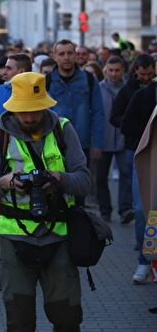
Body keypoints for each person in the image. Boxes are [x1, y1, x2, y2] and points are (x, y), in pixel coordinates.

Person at [0, 72, 91, 332]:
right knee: (19, 322)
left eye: (34, 111)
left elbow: (84, 182)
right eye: (22, 112)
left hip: (59, 236)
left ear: (45, 106)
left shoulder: (63, 130)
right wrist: (4, 182)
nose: (28, 118)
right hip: (14, 239)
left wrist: (59, 179)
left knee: (67, 320)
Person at [47, 39, 104, 203]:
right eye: (61, 54)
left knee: (79, 192)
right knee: (54, 192)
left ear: (75, 55)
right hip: (54, 145)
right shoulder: (46, 81)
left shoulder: (89, 80)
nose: (66, 57)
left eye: (70, 53)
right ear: (54, 56)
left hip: (82, 144)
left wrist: (97, 144)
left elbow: (98, 113)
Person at [121, 67, 157, 284]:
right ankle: (145, 260)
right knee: (144, 210)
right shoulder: (143, 95)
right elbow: (125, 123)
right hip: (147, 161)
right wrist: (146, 138)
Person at [96, 56, 133, 224]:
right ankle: (105, 211)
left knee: (126, 174)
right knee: (101, 177)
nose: (114, 74)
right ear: (105, 70)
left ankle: (125, 209)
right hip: (103, 139)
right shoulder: (98, 88)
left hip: (124, 139)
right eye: (110, 70)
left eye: (117, 70)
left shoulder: (129, 89)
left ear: (123, 70)